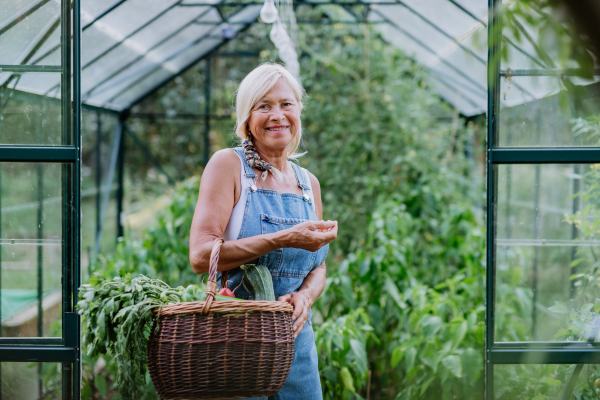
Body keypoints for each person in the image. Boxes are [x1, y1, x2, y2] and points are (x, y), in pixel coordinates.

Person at [189, 62, 338, 399]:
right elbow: (200, 256)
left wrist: (305, 296)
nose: (277, 115)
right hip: (236, 345)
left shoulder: (307, 183)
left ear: (299, 110)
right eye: (264, 106)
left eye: (286, 104)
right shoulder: (229, 166)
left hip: (297, 345)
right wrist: (283, 238)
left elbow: (319, 267)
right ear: (247, 119)